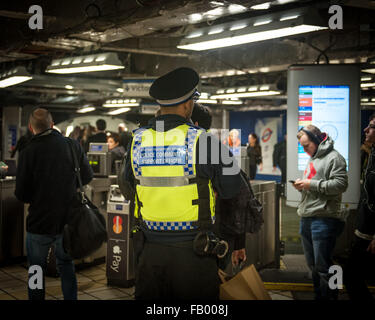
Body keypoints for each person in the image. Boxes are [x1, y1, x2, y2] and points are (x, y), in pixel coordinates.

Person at [119, 67, 241, 300]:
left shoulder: (137, 140)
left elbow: (126, 189)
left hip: (149, 250)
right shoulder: (204, 141)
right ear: (188, 104)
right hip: (194, 252)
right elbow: (233, 187)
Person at [15, 108, 93, 300]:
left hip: (38, 222)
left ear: (32, 128)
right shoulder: (72, 145)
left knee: (36, 268)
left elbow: (22, 194)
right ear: (52, 124)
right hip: (67, 220)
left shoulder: (28, 151)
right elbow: (87, 176)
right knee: (66, 265)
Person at [292, 124, 348, 300]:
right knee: (314, 266)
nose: (305, 149)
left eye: (307, 145)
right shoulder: (313, 158)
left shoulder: (335, 158)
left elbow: (340, 185)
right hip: (308, 217)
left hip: (324, 220)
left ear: (317, 140)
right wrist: (303, 187)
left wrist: (311, 184)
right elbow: (315, 185)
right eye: (302, 146)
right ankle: (320, 296)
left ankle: (331, 297)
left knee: (325, 266)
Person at [191, 103, 247, 269]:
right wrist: (239, 243)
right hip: (215, 234)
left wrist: (238, 244)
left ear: (194, 125)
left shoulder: (211, 150)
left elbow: (237, 199)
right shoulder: (217, 150)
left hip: (215, 235)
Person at [343, 113, 375, 300]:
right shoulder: (372, 153)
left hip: (370, 233)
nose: (366, 129)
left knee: (352, 275)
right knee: (353, 275)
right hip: (364, 230)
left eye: (371, 126)